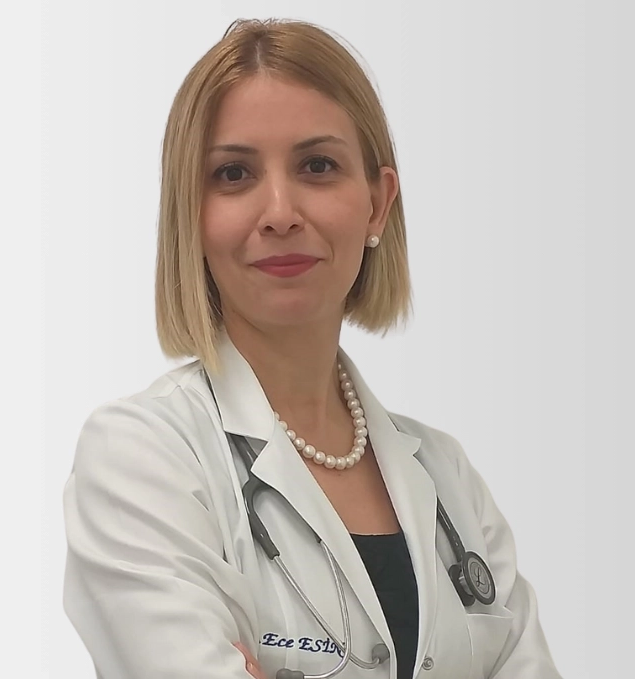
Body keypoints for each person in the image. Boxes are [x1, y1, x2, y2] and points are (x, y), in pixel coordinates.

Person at [62, 18, 562, 679]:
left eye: (317, 166)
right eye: (234, 173)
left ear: (377, 204)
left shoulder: (448, 477)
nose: (279, 212)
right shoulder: (141, 459)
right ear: (191, 213)